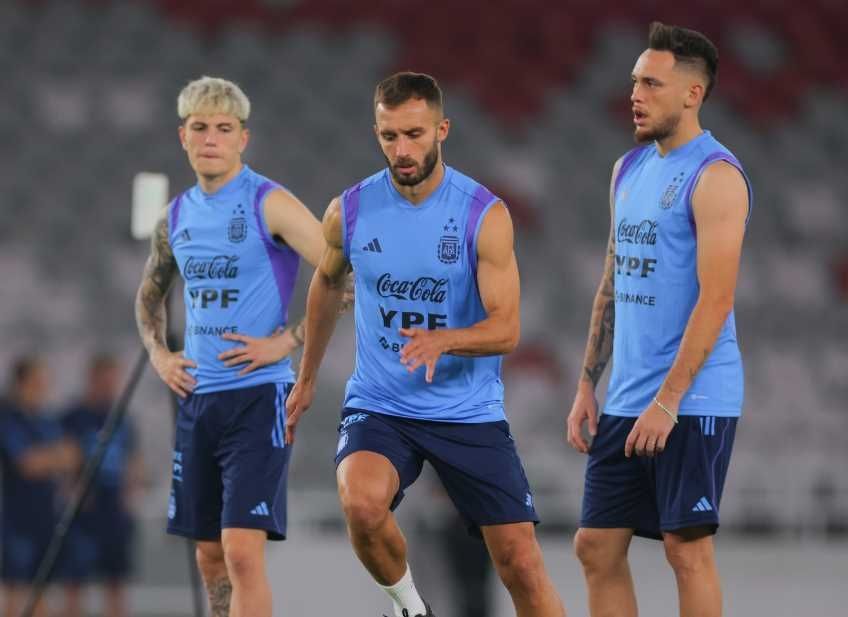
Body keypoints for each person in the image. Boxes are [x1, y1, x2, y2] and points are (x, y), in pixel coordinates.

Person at [286, 71, 566, 617]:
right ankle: (411, 608)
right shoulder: (350, 211)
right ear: (376, 134)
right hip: (382, 404)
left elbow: (506, 328)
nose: (402, 149)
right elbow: (325, 281)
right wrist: (308, 375)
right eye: (390, 136)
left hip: (466, 411)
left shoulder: (483, 215)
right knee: (360, 503)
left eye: (414, 134)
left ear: (442, 129)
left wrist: (446, 340)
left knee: (520, 564)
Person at [566, 22, 752, 617]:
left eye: (651, 82)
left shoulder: (716, 176)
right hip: (625, 396)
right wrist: (586, 383)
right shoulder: (628, 170)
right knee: (595, 546)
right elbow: (613, 281)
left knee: (685, 550)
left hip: (693, 399)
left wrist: (669, 400)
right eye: (634, 81)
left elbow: (716, 299)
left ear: (692, 94)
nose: (635, 94)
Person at [134, 76, 327, 617]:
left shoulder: (271, 203)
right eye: (200, 127)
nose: (211, 137)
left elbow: (344, 276)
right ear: (183, 137)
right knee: (210, 557)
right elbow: (149, 297)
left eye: (224, 128)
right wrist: (159, 355)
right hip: (199, 400)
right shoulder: (175, 218)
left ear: (244, 138)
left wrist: (283, 343)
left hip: (259, 395)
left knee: (243, 552)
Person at [61, 353, 146, 617]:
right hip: (84, 509)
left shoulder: (123, 418)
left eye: (114, 380)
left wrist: (131, 490)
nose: (110, 386)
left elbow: (133, 459)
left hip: (114, 511)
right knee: (75, 582)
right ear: (92, 379)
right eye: (105, 380)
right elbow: (63, 457)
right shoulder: (73, 416)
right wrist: (70, 489)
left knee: (116, 582)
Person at [0, 357, 82, 617]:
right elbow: (27, 463)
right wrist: (54, 458)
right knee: (15, 588)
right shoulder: (9, 418)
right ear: (21, 384)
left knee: (41, 586)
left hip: (45, 516)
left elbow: (73, 456)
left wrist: (50, 458)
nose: (42, 388)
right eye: (36, 382)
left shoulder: (46, 420)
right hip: (15, 518)